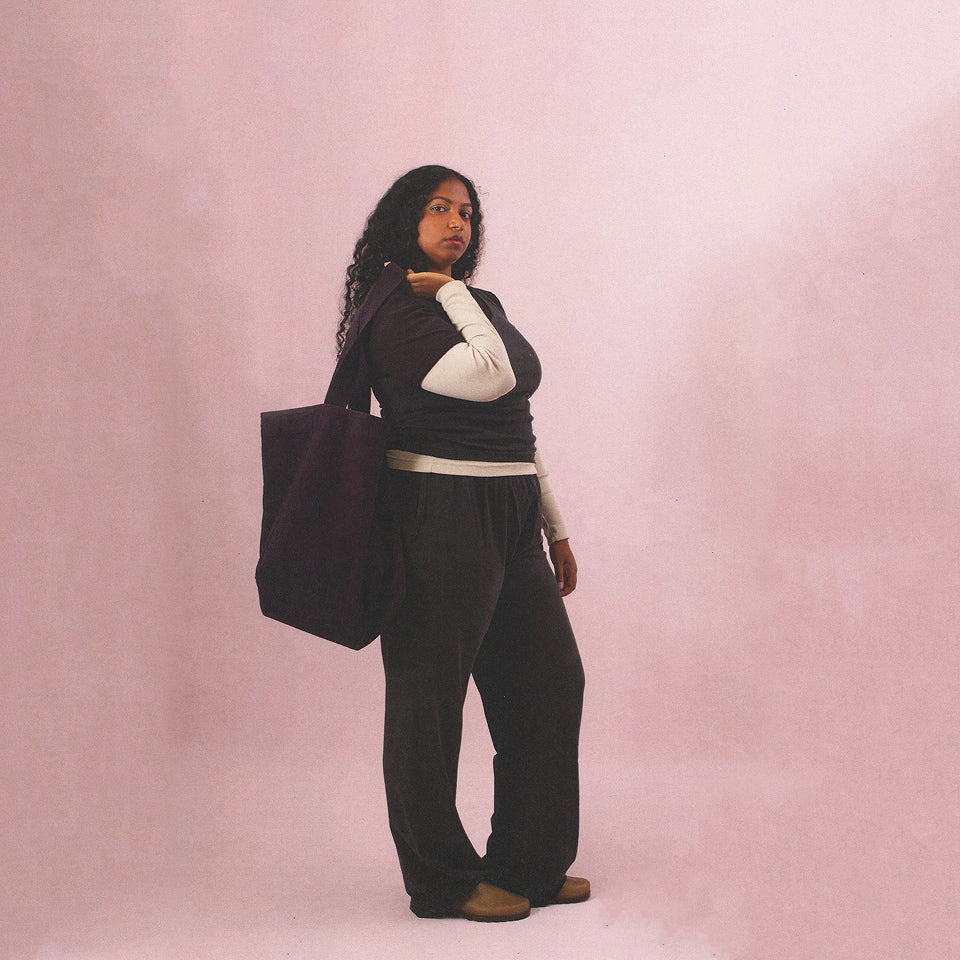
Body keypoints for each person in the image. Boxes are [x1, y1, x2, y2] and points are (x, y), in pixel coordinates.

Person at [338, 165, 587, 922]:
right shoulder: (396, 311)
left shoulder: (477, 303)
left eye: (467, 213)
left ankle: (529, 863)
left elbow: (514, 420)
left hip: (510, 507)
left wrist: (553, 523)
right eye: (439, 208)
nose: (457, 223)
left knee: (550, 681)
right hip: (439, 509)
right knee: (430, 697)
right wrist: (450, 294)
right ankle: (441, 880)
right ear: (403, 221)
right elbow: (491, 376)